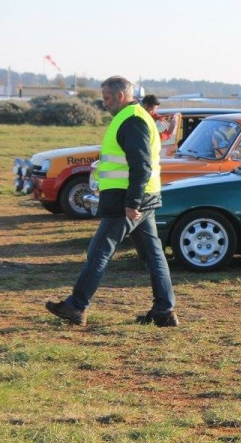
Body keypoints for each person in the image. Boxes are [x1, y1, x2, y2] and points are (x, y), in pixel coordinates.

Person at [46, 76, 178, 328]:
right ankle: (164, 310)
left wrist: (132, 202)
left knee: (99, 252)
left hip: (128, 200)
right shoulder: (133, 117)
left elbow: (141, 166)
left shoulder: (132, 120)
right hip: (137, 197)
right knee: (153, 255)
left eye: (107, 98)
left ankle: (77, 306)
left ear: (120, 95)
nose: (104, 103)